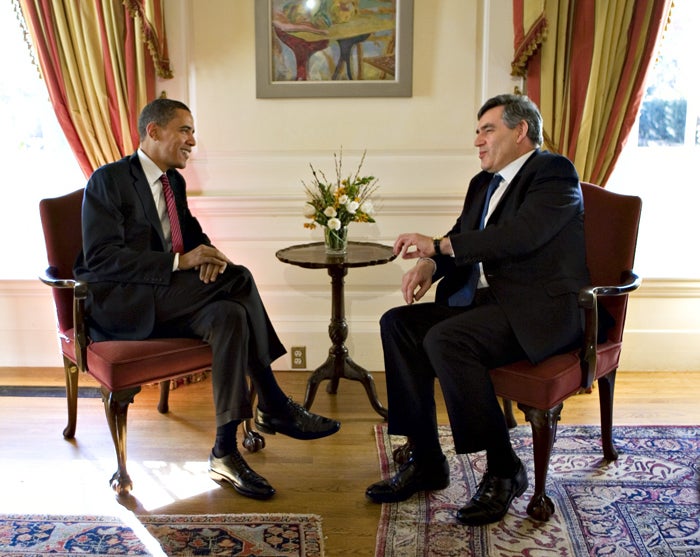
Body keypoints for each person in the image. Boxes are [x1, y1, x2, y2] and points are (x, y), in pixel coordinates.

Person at [74, 98, 340, 501]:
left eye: (192, 132)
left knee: (230, 313)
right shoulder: (108, 181)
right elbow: (102, 258)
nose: (192, 141)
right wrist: (182, 261)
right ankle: (273, 401)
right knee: (242, 279)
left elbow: (192, 235)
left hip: (170, 297)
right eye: (185, 130)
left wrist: (212, 258)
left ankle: (225, 451)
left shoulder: (173, 182)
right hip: (122, 303)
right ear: (154, 131)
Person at [365, 94, 589, 525]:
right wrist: (432, 262)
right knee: (398, 324)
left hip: (535, 310)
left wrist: (441, 246)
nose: (477, 141)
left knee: (446, 338)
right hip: (484, 304)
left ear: (520, 131)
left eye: (487, 129)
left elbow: (521, 235)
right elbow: (459, 237)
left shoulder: (553, 173)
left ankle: (505, 468)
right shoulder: (481, 184)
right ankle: (428, 460)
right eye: (477, 131)